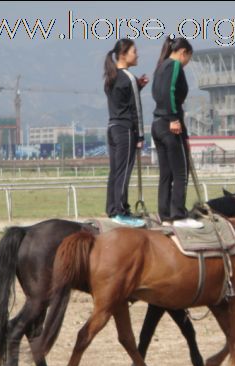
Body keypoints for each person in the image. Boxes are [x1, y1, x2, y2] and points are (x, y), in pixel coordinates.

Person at [151, 36, 203, 229]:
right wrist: (173, 118)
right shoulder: (173, 66)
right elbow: (169, 92)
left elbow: (159, 94)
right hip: (169, 123)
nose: (187, 63)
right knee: (181, 172)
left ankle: (165, 215)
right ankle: (179, 215)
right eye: (188, 58)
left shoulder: (161, 66)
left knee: (166, 173)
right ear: (183, 52)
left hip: (157, 124)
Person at [104, 39, 149, 227]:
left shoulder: (111, 76)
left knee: (115, 171)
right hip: (126, 130)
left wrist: (137, 87)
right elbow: (136, 109)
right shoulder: (128, 77)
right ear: (123, 54)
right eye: (134, 51)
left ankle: (113, 209)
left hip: (112, 127)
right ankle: (122, 211)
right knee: (124, 172)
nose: (137, 55)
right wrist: (140, 136)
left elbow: (121, 100)